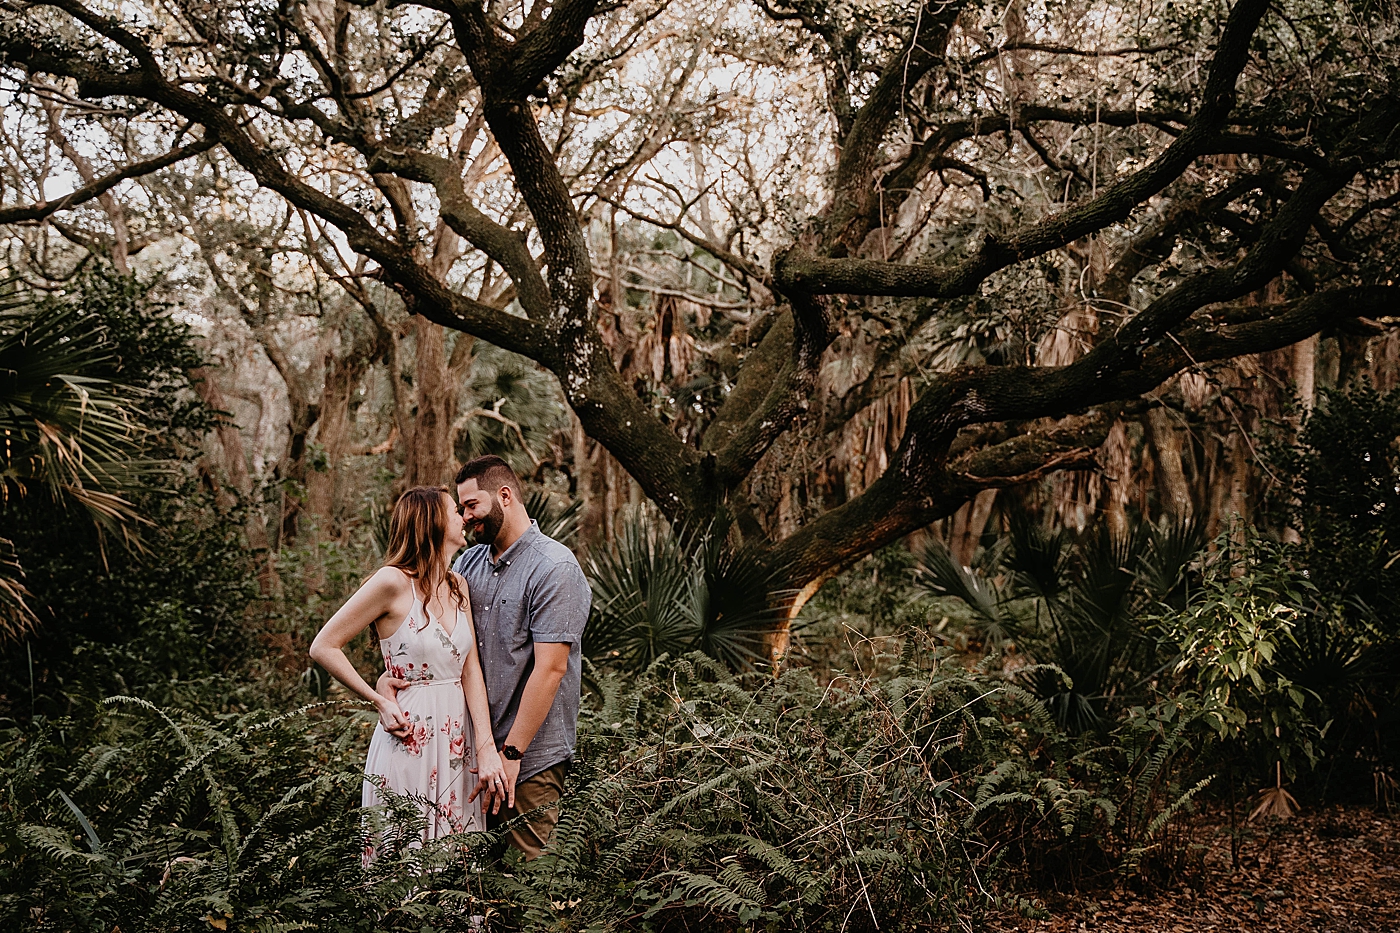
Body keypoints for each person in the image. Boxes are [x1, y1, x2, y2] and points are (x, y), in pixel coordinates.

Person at [379, 456, 591, 860]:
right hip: (466, 754)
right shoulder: (467, 563)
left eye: (472, 505)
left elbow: (550, 670)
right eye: (460, 508)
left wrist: (511, 755)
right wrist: (385, 680)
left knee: (529, 880)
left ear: (505, 496)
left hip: (527, 761)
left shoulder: (554, 567)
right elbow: (434, 640)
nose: (465, 516)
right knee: (470, 880)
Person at [310, 485, 508, 860]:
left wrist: (485, 747)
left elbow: (471, 671)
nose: (465, 517)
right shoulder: (392, 583)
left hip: (456, 741)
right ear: (432, 522)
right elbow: (323, 646)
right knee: (405, 858)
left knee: (455, 861)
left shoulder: (458, 586)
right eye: (455, 511)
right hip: (409, 737)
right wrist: (377, 700)